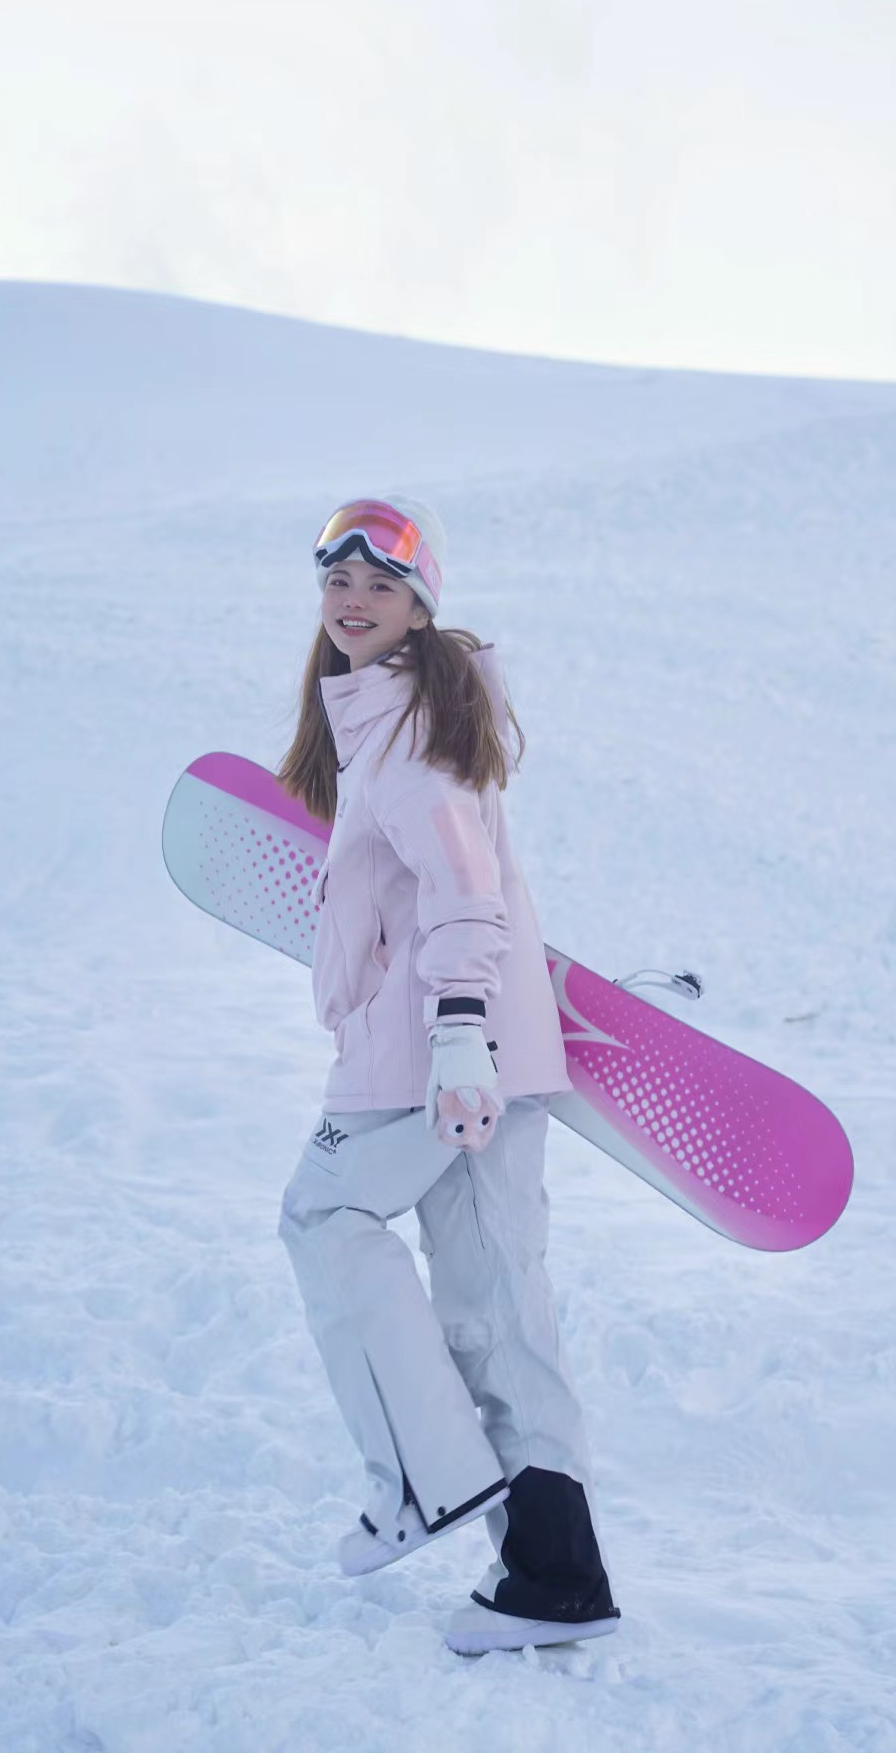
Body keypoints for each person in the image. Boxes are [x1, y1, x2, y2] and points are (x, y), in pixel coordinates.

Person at [274, 494, 620, 1657]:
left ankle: (426, 1481)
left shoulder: (410, 731)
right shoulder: (394, 716)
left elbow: (463, 895)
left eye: (381, 584)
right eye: (338, 581)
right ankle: (552, 1577)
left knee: (324, 1218)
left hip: (435, 1058)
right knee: (492, 1309)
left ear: (420, 607)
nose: (353, 600)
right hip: (457, 1058)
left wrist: (462, 1036)